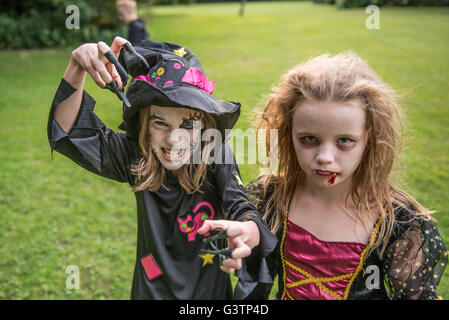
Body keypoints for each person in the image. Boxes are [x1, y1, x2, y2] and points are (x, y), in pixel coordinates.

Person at [47, 36, 277, 299]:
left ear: (204, 124)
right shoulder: (139, 157)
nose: (173, 139)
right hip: (151, 291)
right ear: (145, 125)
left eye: (187, 124)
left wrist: (249, 229)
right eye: (160, 123)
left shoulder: (215, 153)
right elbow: (68, 131)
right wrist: (77, 64)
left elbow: (240, 205)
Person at [235, 51, 448, 300]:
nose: (325, 156)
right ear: (288, 134)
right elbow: (253, 290)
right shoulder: (273, 198)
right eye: (309, 139)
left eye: (344, 141)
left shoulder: (396, 221)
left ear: (370, 138)